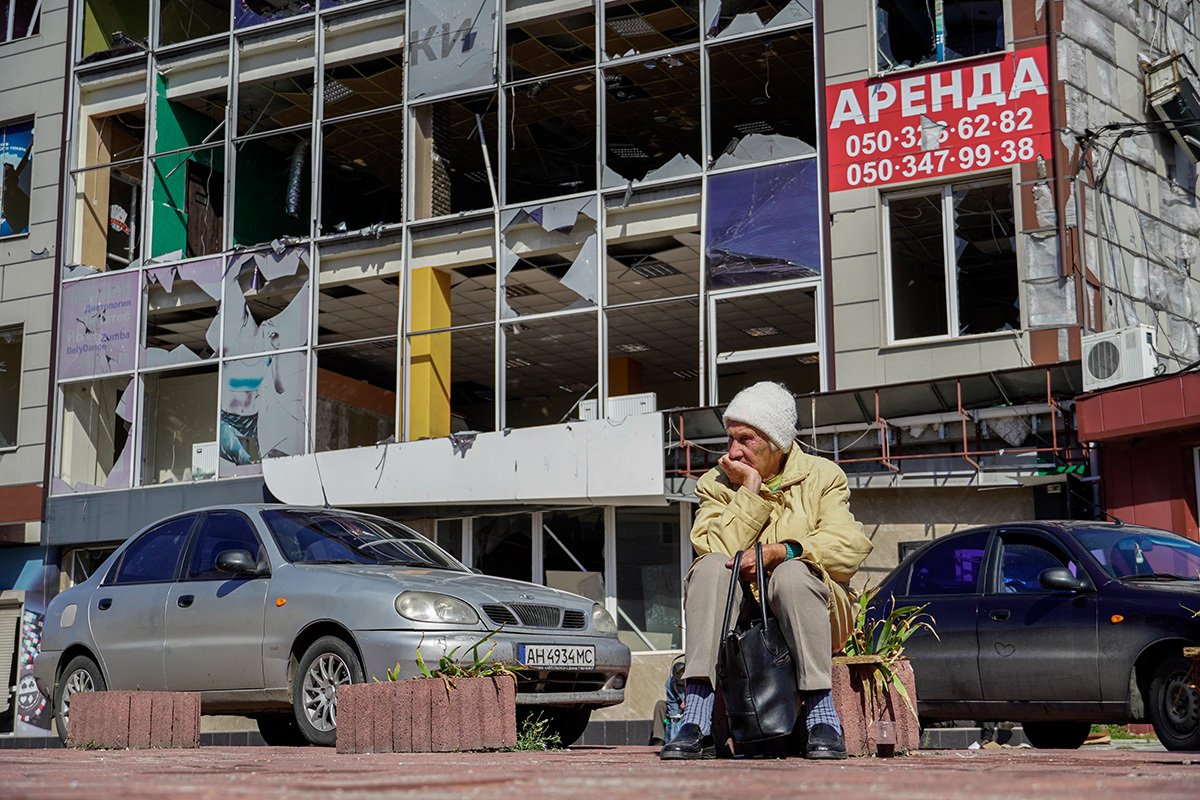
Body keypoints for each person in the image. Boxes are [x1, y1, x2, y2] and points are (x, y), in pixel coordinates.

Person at [659, 381, 873, 760]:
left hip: (814, 610)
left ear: (777, 442)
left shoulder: (823, 476)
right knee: (709, 568)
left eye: (747, 439)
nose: (734, 451)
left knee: (792, 573)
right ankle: (695, 718)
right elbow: (714, 548)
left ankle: (822, 715)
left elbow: (850, 545)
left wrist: (785, 550)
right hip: (741, 617)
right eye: (730, 439)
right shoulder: (716, 483)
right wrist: (750, 490)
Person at [648, 659, 686, 746]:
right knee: (660, 705)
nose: (681, 682)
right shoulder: (670, 683)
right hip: (677, 707)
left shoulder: (692, 681)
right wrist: (674, 718)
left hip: (691, 706)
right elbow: (672, 702)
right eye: (679, 680)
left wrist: (688, 702)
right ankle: (659, 738)